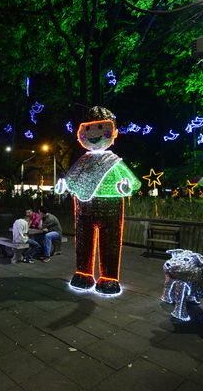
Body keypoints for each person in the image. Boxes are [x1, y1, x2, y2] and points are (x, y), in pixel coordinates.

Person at [55, 106, 141, 295]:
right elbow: (69, 181)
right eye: (88, 128)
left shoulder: (115, 162)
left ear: (114, 132)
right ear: (80, 133)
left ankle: (109, 278)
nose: (94, 134)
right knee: (83, 243)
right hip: (83, 208)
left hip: (111, 207)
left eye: (101, 128)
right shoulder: (83, 161)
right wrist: (62, 187)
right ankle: (83, 273)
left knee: (110, 243)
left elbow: (134, 183)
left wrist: (125, 187)